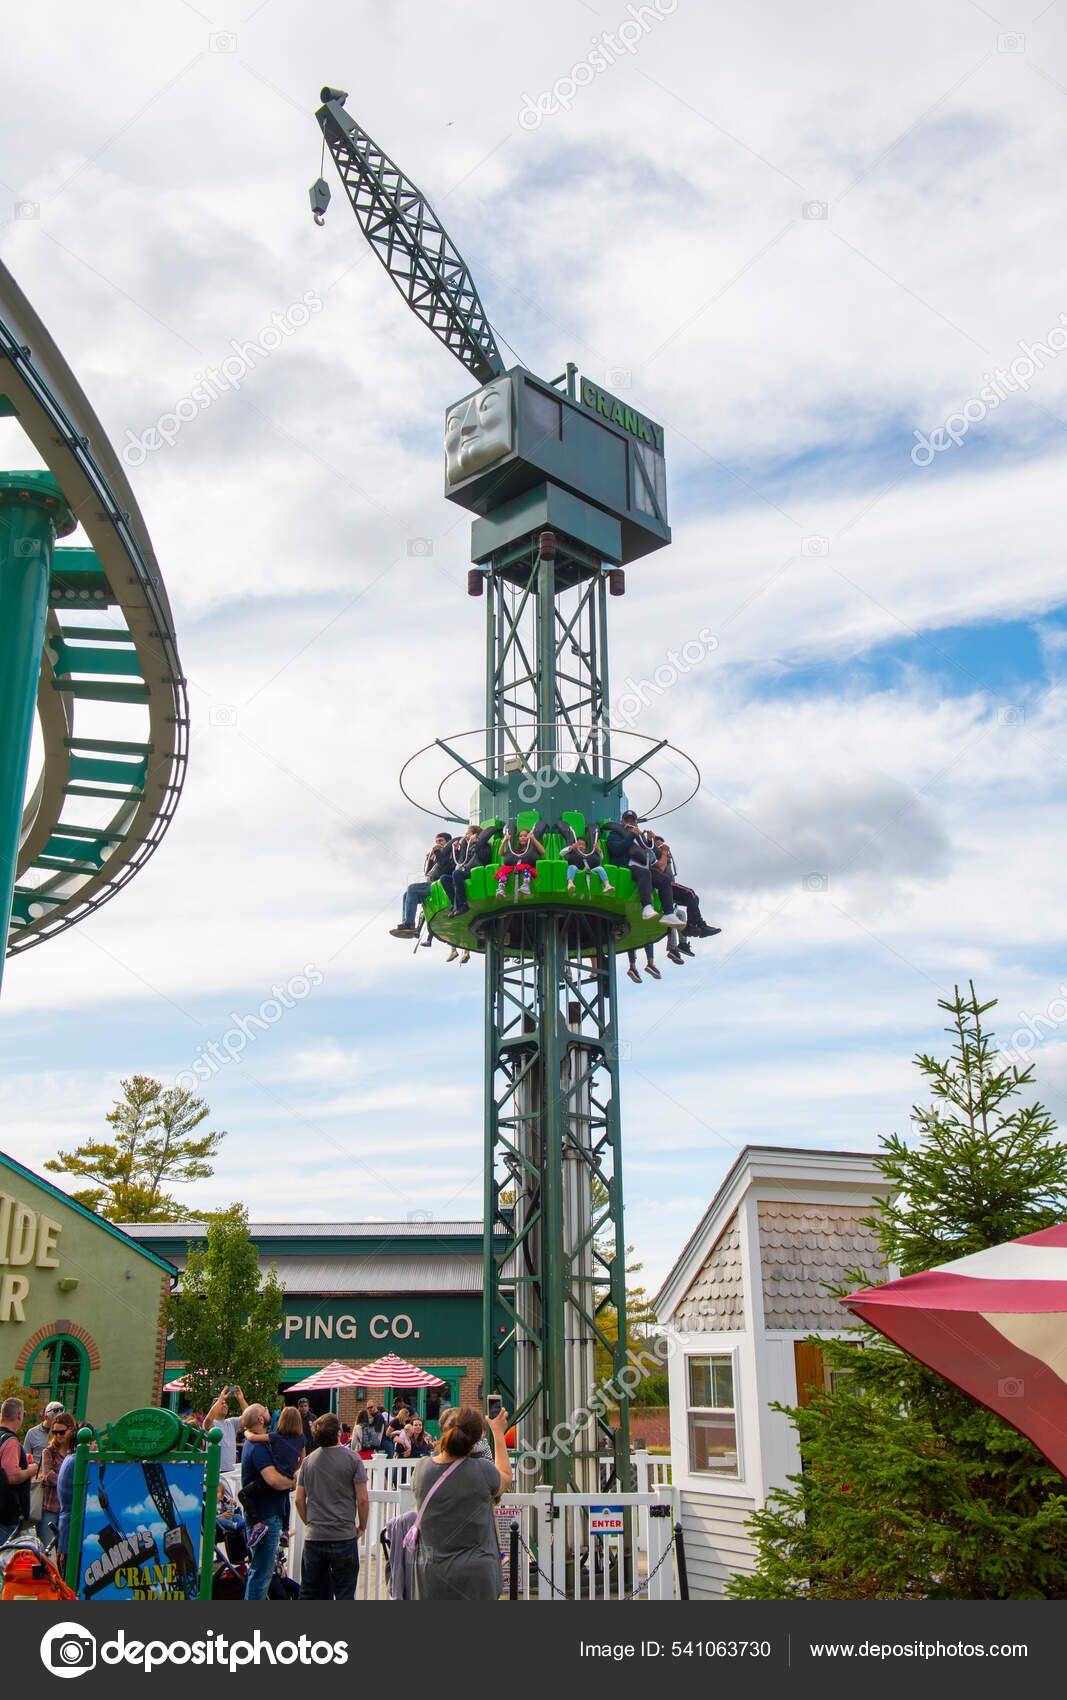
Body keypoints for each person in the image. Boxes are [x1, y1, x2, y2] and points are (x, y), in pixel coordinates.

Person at [411, 1405, 513, 1600]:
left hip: (432, 1577)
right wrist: (498, 1433)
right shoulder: (482, 1470)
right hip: (477, 1577)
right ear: (475, 1441)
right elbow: (506, 1477)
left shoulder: (421, 1470)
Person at [294, 1412, 368, 1600]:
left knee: (309, 1592)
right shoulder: (353, 1459)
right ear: (338, 1433)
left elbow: (299, 1499)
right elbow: (362, 1499)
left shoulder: (308, 1462)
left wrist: (308, 1522)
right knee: (344, 1593)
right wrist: (362, 1526)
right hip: (343, 1534)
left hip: (315, 1535)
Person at [239, 1404, 297, 1600]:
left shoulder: (256, 1441)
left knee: (261, 1571)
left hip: (265, 1513)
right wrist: (292, 1483)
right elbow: (272, 1479)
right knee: (262, 1573)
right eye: (264, 1410)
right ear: (261, 1420)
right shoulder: (257, 1447)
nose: (268, 1410)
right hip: (265, 1515)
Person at [652, 835, 721, 950]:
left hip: (668, 885)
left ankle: (693, 924)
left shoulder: (663, 857)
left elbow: (670, 875)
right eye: (658, 843)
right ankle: (697, 925)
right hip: (661, 884)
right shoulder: (654, 853)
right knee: (690, 894)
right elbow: (660, 868)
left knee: (694, 898)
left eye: (662, 843)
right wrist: (664, 855)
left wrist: (668, 861)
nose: (661, 846)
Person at [390, 833, 454, 938]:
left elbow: (446, 868)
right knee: (407, 894)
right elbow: (428, 874)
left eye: (441, 841)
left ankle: (409, 924)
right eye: (436, 841)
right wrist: (430, 860)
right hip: (432, 884)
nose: (438, 844)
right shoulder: (437, 856)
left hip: (441, 884)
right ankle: (407, 923)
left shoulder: (450, 852)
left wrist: (438, 852)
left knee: (412, 888)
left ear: (447, 842)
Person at [0, 1397, 36, 1546]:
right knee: (6, 1560)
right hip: (6, 1513)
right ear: (19, 1415)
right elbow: (12, 1476)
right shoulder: (10, 1441)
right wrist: (30, 1470)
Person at [38, 1413, 76, 1552]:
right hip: (50, 1507)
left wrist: (59, 1478)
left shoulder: (76, 1452)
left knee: (65, 1551)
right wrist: (70, 1480)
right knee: (45, 1551)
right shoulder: (49, 1451)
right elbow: (48, 1475)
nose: (58, 1436)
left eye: (62, 1432)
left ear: (71, 1430)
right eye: (55, 1432)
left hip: (70, 1509)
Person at [494, 822, 546, 900]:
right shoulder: (515, 851)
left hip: (526, 869)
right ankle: (501, 888)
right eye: (521, 836)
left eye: (525, 836)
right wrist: (504, 841)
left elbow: (542, 852)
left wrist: (533, 839)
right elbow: (501, 854)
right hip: (514, 869)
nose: (523, 837)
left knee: (526, 867)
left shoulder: (532, 849)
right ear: (518, 838)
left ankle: (526, 886)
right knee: (504, 869)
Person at [204, 1385, 248, 1474]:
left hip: (230, 1471)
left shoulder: (231, 1422)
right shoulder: (211, 1423)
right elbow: (208, 1420)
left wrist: (241, 1399)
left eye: (225, 1403)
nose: (224, 1405)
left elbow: (249, 1417)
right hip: (214, 1471)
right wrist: (221, 1398)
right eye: (221, 1404)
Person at [271, 1404, 306, 1478]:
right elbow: (303, 1458)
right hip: (289, 1474)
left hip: (275, 1474)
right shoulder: (301, 1437)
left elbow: (254, 1438)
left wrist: (247, 1433)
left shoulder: (275, 1436)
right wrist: (294, 1470)